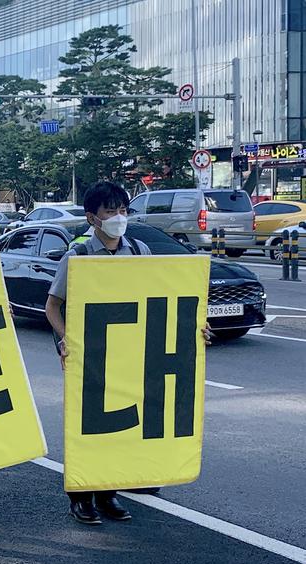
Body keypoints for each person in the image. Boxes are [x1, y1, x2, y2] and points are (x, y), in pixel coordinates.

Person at [44, 181, 212, 526]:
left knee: (122, 425)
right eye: (110, 211)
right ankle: (81, 498)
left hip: (129, 354)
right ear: (93, 218)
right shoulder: (78, 257)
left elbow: (162, 300)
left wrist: (194, 328)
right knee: (88, 424)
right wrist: (67, 340)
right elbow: (52, 307)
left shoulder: (139, 252)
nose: (119, 217)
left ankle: (109, 494)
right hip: (91, 358)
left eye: (123, 210)